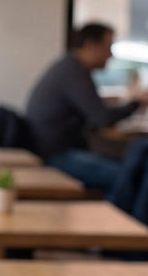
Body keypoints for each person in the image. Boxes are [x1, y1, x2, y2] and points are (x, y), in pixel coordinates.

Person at [25, 22, 148, 191]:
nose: (110, 55)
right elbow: (102, 118)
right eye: (108, 47)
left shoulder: (70, 67)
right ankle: (118, 216)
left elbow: (96, 114)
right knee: (133, 176)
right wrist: (136, 103)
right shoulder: (73, 72)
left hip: (57, 150)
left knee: (131, 166)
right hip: (56, 156)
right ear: (90, 46)